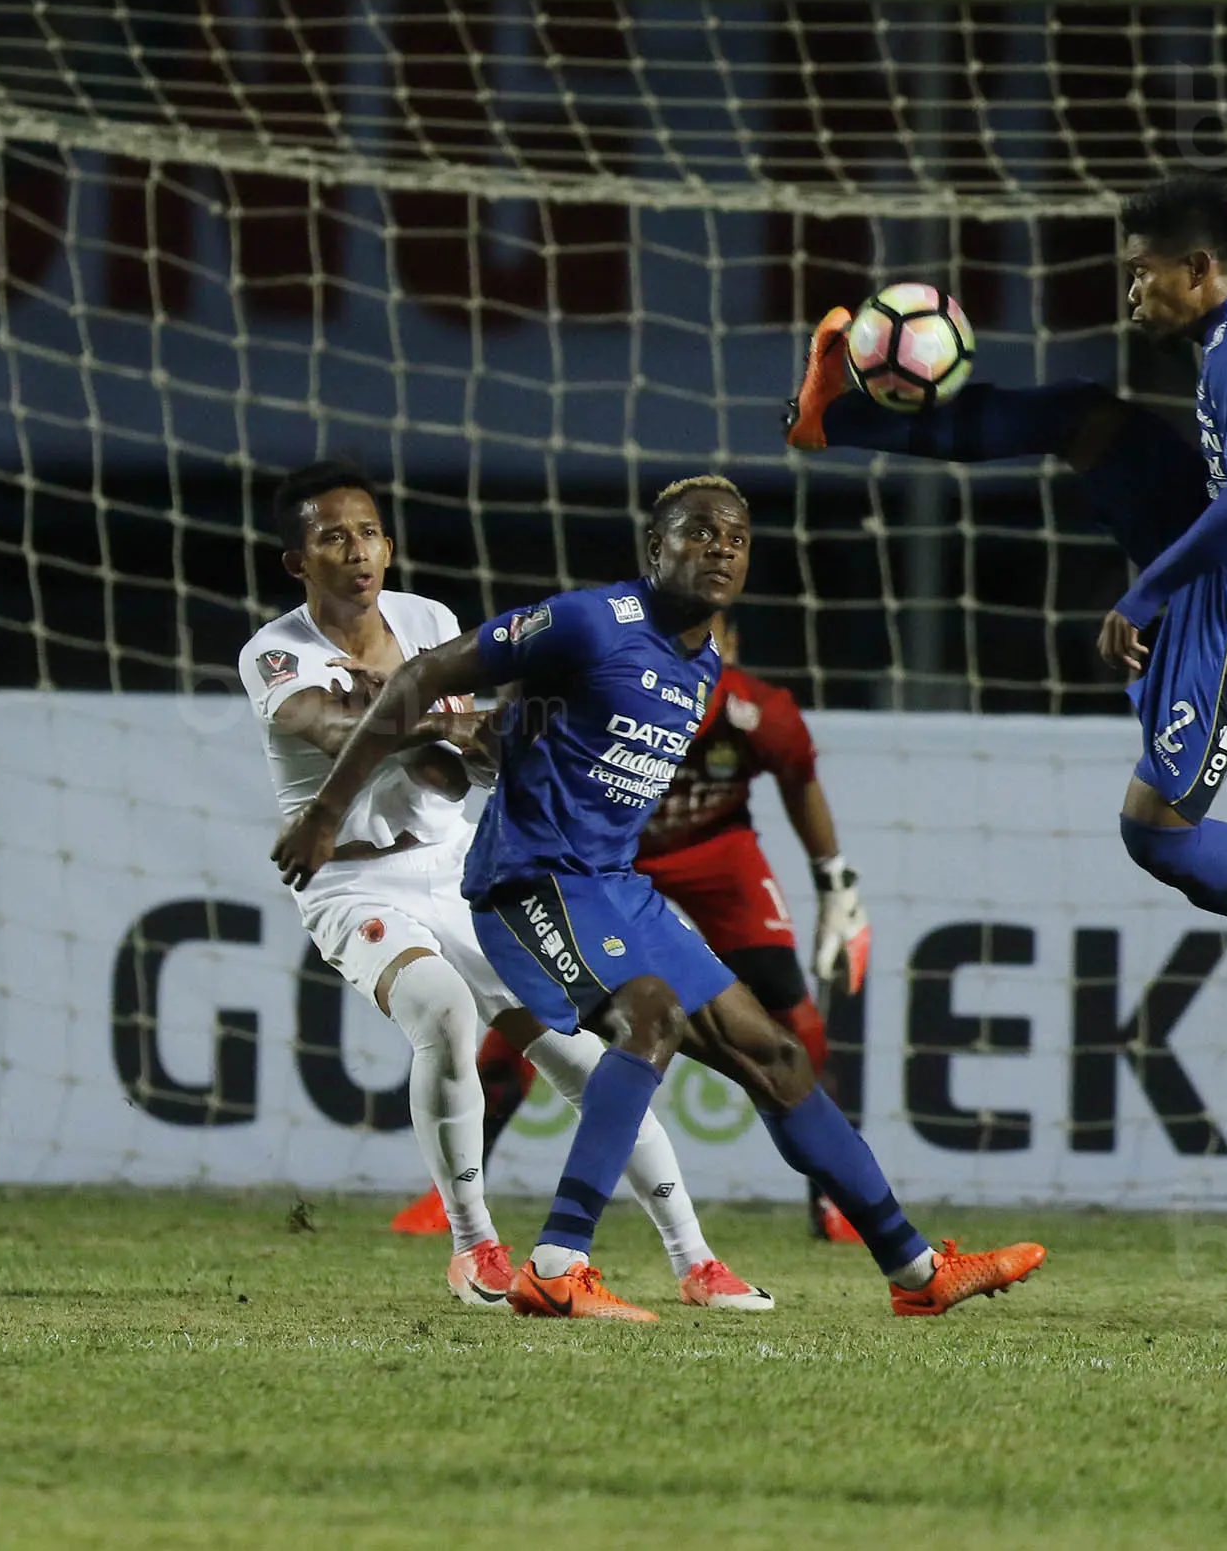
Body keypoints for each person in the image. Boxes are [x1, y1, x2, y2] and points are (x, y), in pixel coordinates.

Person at [276, 475, 1044, 1323]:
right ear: (655, 548)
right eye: (699, 532)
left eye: (737, 537)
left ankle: (916, 1268)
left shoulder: (703, 662)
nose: (721, 547)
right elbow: (425, 672)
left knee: (777, 1057)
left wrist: (506, 735)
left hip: (615, 888)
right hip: (529, 880)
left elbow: (529, 731)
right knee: (649, 1017)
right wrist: (324, 811)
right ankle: (559, 1261)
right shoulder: (588, 620)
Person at [786, 175, 1227, 1023]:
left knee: (1155, 831)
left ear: (1199, 268)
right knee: (1082, 417)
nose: (1131, 293)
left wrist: (1142, 597)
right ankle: (827, 418)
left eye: (1141, 273)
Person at [245, 460, 770, 1311]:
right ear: (297, 561)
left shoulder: (427, 621)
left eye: (369, 531)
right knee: (443, 1014)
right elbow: (333, 723)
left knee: (588, 1054)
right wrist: (431, 724)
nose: (358, 550)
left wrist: (424, 717)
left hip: (458, 864)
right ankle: (475, 1247)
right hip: (353, 883)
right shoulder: (274, 650)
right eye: (332, 536)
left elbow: (480, 739)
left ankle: (695, 1259)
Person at [388, 612, 876, 1243]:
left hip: (715, 853)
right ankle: (453, 1190)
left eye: (710, 634)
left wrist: (836, 882)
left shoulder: (758, 711)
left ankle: (835, 1203)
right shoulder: (612, 678)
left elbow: (800, 781)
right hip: (607, 852)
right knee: (533, 1015)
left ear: (729, 644)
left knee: (789, 1009)